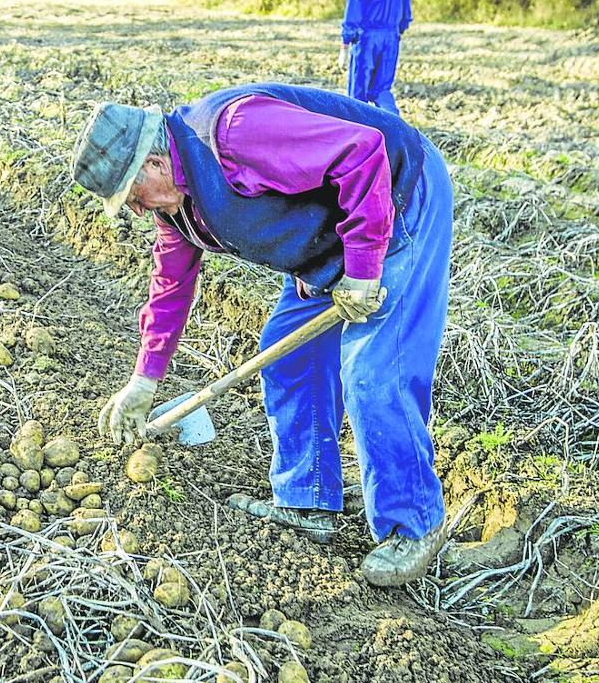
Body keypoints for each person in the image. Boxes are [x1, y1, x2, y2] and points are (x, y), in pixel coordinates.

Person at [71, 83, 452, 586]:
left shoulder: (234, 133)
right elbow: (170, 286)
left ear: (154, 165)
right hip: (328, 235)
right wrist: (145, 379)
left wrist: (362, 266)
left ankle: (414, 523)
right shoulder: (176, 208)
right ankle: (307, 499)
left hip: (397, 201)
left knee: (374, 373)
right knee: (285, 355)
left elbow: (362, 154)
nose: (138, 210)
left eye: (132, 195)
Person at [341, 0, 412, 115]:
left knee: (357, 95)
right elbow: (406, 15)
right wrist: (397, 32)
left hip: (367, 39)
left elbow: (352, 15)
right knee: (382, 91)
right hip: (391, 39)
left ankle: (359, 135)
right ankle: (395, 131)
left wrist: (345, 45)